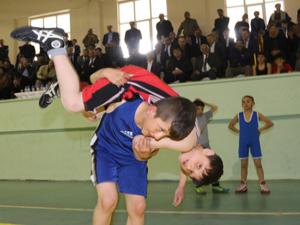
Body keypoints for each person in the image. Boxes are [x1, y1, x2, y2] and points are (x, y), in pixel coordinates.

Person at [11, 26, 224, 225]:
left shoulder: (183, 136)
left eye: (191, 173)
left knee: (138, 206)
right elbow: (166, 144)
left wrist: (178, 182)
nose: (188, 167)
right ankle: (57, 48)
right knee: (74, 103)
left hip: (132, 109)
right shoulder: (183, 136)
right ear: (208, 151)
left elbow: (154, 150)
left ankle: (64, 83)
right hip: (129, 85)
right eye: (197, 166)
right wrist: (104, 75)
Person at [228, 95, 273, 194]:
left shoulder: (257, 114)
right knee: (244, 165)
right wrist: (239, 131)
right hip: (243, 142)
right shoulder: (239, 115)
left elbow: (270, 123)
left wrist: (260, 129)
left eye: (248, 101)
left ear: (253, 103)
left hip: (254, 142)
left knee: (258, 164)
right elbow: (230, 125)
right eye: (243, 102)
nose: (245, 104)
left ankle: (262, 185)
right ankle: (243, 185)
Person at [186, 99, 229, 195]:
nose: (200, 111)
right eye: (198, 109)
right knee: (197, 166)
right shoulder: (190, 119)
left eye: (202, 109)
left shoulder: (205, 116)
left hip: (206, 146)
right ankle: (198, 186)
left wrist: (203, 102)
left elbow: (215, 108)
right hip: (196, 147)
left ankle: (216, 186)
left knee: (212, 165)